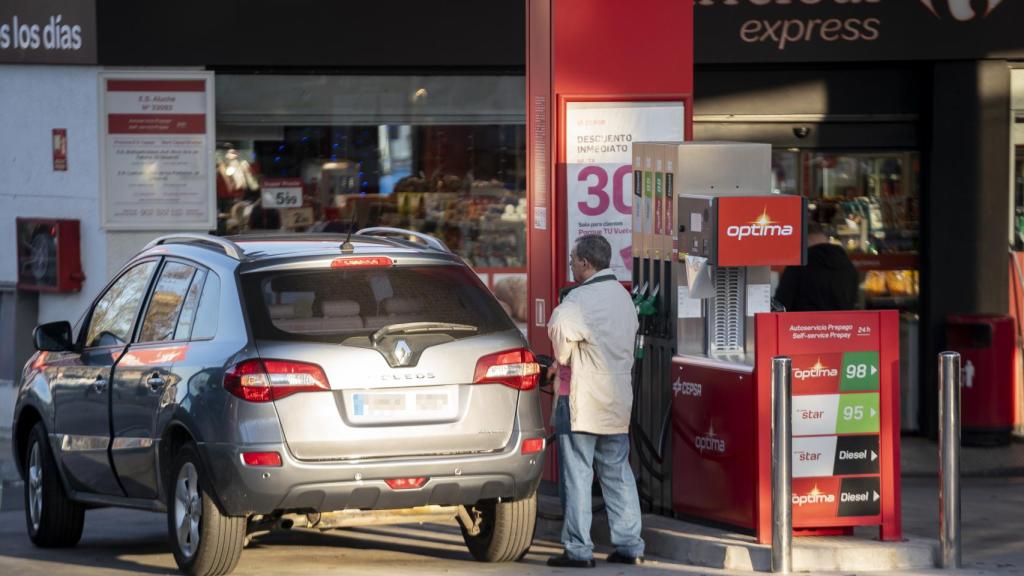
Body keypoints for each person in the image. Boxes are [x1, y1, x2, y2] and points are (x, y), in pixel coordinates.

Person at [546, 234, 644, 568]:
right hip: (617, 400)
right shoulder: (623, 297)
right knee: (617, 472)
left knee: (578, 476)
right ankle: (630, 545)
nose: (571, 264)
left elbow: (560, 346)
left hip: (581, 401)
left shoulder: (577, 301)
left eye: (573, 259)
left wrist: (568, 352)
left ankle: (578, 549)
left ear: (586, 263)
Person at [774, 221, 860, 311]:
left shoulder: (799, 266)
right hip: (844, 324)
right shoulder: (848, 265)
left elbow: (780, 306)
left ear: (803, 239)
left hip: (804, 324)